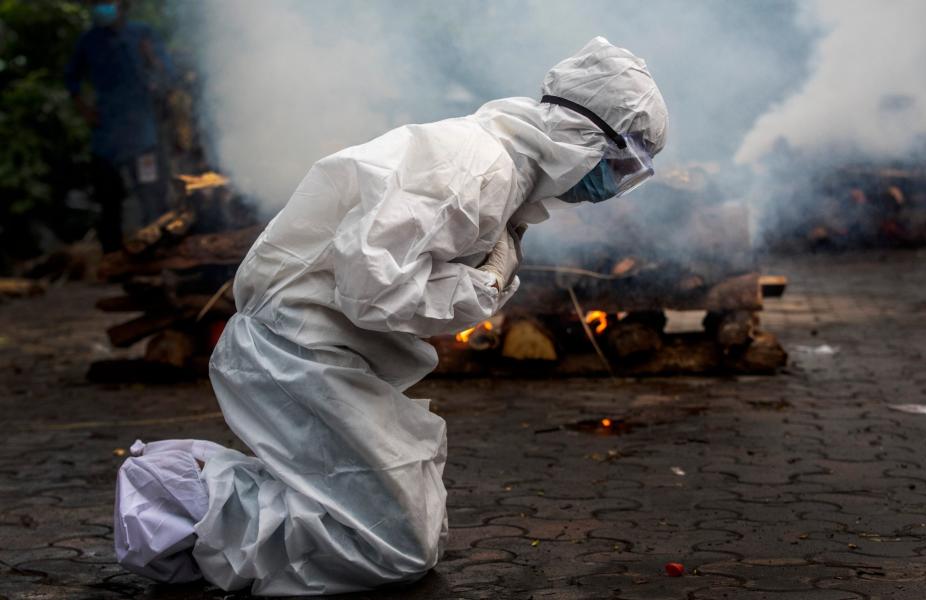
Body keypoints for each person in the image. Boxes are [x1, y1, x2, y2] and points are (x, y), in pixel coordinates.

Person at [114, 37, 668, 595]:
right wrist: (486, 284)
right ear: (586, 137)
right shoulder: (476, 170)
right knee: (393, 545)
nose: (616, 185)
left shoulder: (502, 173)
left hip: (319, 352)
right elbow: (371, 289)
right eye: (622, 163)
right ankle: (176, 495)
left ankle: (201, 505)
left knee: (405, 526)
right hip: (295, 350)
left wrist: (486, 280)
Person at [65, 1, 172, 251]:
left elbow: (168, 76)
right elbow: (71, 79)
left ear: (123, 5)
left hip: (143, 132)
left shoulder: (142, 34)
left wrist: (152, 58)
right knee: (108, 198)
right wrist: (85, 110)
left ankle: (158, 252)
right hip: (107, 134)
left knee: (151, 195)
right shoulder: (89, 40)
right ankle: (111, 257)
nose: (100, 7)